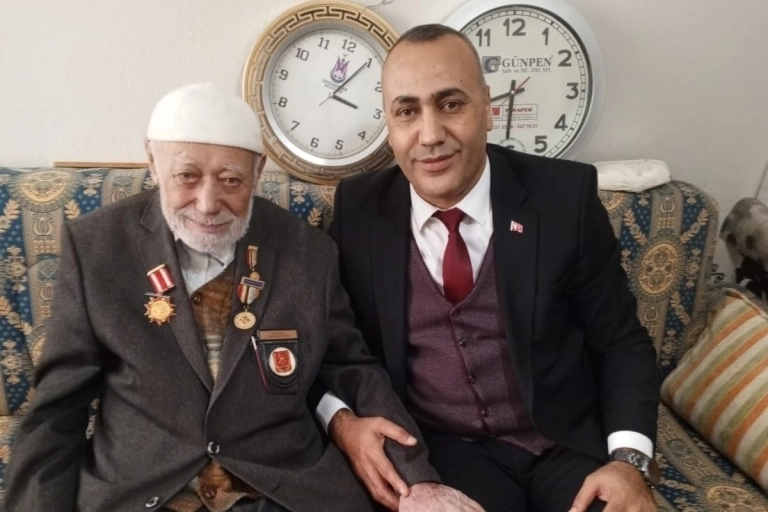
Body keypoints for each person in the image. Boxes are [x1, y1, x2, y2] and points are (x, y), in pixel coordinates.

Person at [3, 83, 483, 512]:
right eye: (187, 176)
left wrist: (419, 482)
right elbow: (56, 413)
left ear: (258, 171)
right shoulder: (97, 248)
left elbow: (351, 367)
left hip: (281, 491)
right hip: (147, 491)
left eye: (231, 180)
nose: (208, 203)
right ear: (153, 162)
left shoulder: (307, 251)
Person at [324, 24, 660, 512]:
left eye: (451, 104)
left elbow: (621, 342)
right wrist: (343, 423)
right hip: (447, 453)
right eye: (407, 111)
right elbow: (334, 347)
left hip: (565, 443)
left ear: (488, 107)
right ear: (389, 123)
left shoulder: (564, 197)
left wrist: (629, 461)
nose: (430, 135)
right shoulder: (358, 210)